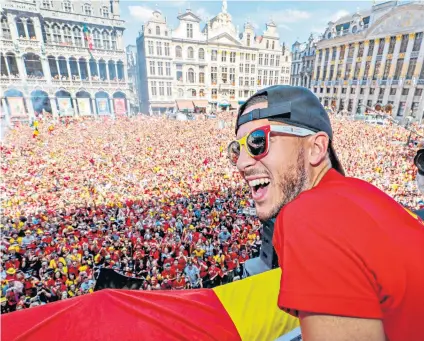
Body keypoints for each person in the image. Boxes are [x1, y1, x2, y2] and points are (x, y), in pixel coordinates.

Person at [229, 85, 424, 341]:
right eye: (236, 149)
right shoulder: (364, 194)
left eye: (257, 141)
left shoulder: (307, 216)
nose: (241, 163)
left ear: (316, 148)